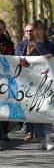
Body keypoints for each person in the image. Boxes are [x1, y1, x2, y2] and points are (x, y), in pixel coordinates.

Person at [26, 19, 54, 150]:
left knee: (47, 109)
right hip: (33, 84)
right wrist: (28, 53)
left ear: (44, 30)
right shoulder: (28, 45)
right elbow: (22, 63)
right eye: (35, 29)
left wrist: (53, 58)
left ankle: (48, 137)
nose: (36, 31)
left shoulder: (50, 45)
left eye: (39, 28)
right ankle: (40, 139)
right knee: (36, 111)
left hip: (49, 83)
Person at [15, 23, 36, 141]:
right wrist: (27, 54)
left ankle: (40, 132)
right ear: (24, 33)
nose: (29, 33)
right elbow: (16, 61)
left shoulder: (41, 45)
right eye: (27, 31)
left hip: (40, 80)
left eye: (31, 30)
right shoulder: (20, 45)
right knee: (28, 106)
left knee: (39, 106)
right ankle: (29, 131)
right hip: (25, 81)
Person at [0, 19, 14, 151]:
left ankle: (4, 131)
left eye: (1, 29)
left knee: (5, 105)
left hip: (4, 78)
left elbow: (11, 59)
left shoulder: (8, 43)